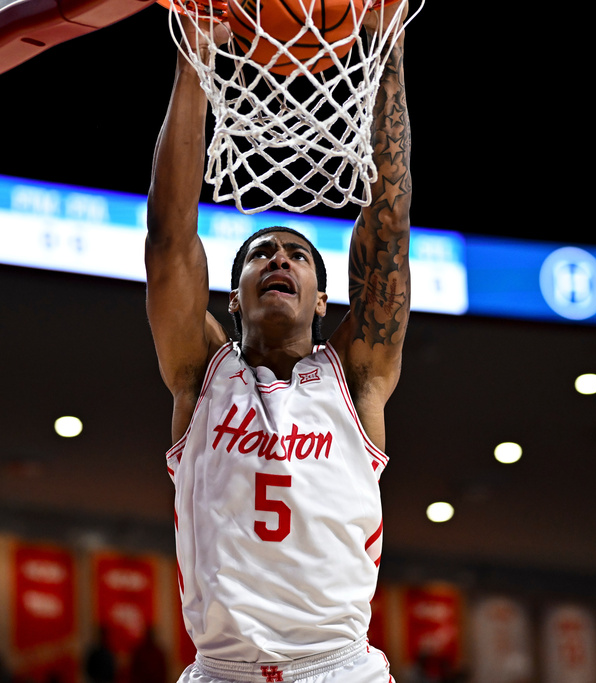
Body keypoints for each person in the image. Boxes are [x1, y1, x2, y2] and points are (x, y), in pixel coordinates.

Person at [145, 4, 412, 682]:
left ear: (324, 298)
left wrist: (387, 51)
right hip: (222, 668)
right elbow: (171, 243)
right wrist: (192, 63)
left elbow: (387, 230)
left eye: (297, 254)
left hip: (337, 667)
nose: (279, 259)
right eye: (261, 253)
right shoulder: (199, 374)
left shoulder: (355, 377)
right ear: (231, 296)